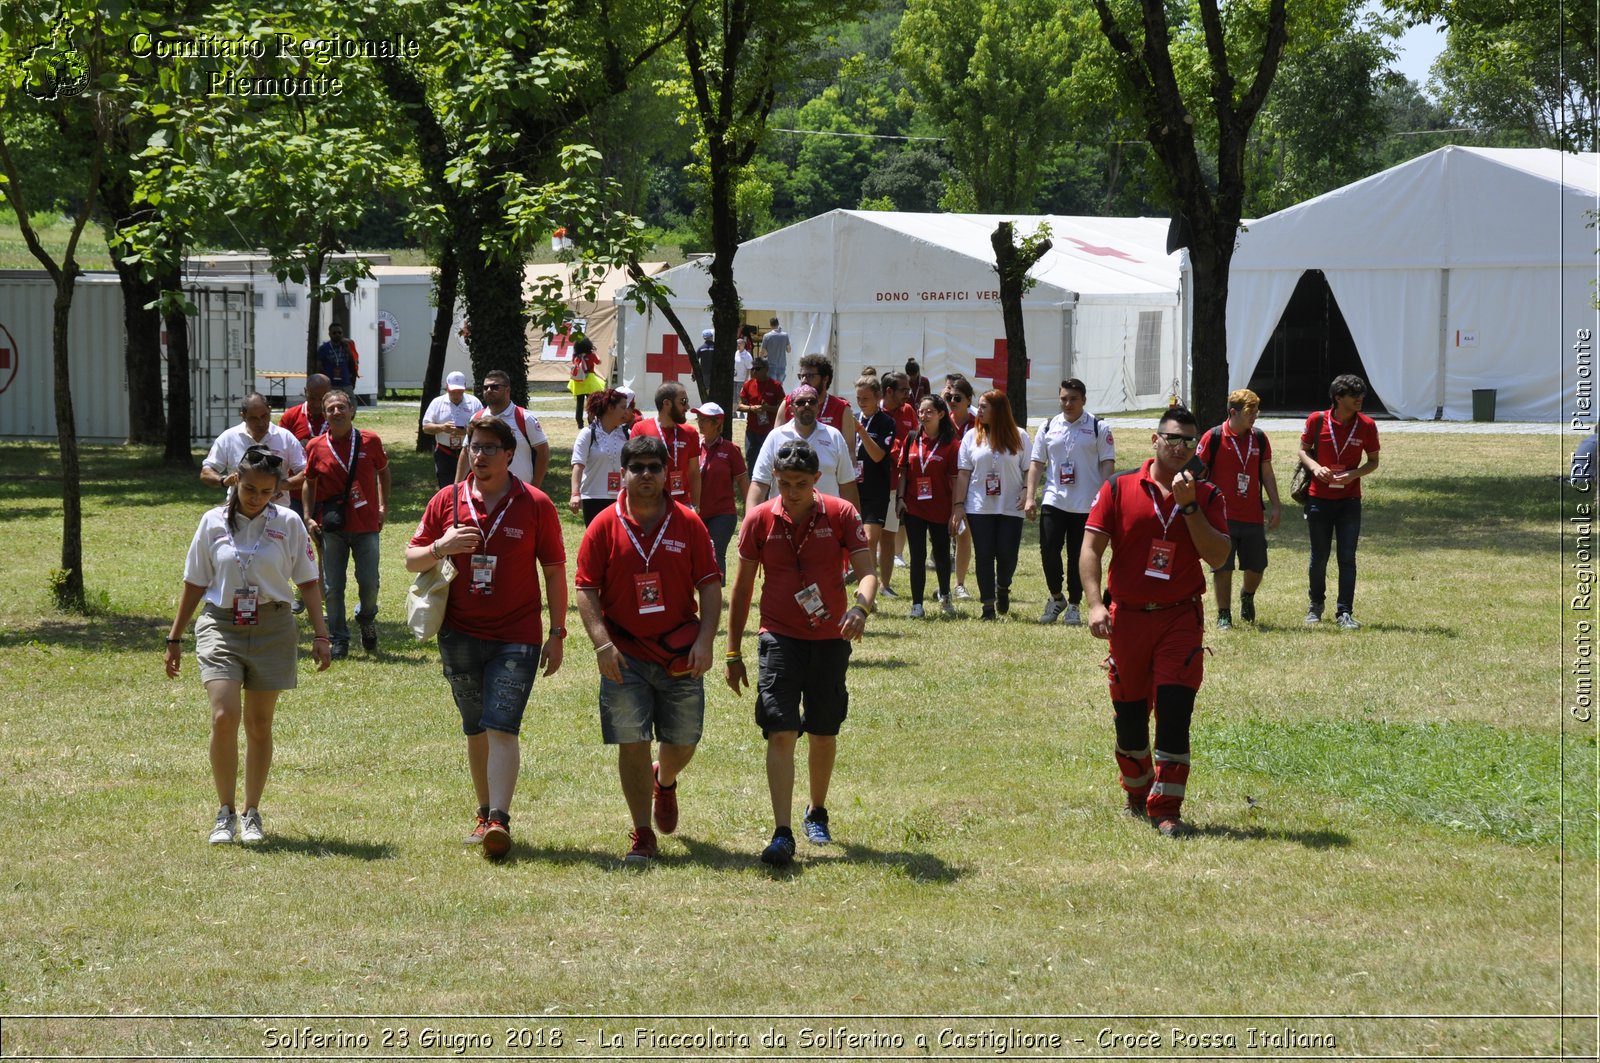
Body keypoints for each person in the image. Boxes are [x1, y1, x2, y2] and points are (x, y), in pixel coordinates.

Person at [406, 416, 567, 859]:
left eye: (489, 448)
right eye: (474, 447)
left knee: (501, 724)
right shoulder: (447, 501)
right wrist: (443, 546)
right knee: (475, 725)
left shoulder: (534, 503)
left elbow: (553, 570)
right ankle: (483, 812)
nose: (479, 455)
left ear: (510, 454)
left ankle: (499, 818)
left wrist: (556, 633)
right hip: (458, 632)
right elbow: (411, 558)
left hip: (517, 634)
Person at [165, 444, 333, 845]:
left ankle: (251, 812)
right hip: (221, 625)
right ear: (236, 481)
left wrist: (322, 634)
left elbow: (308, 581)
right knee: (224, 716)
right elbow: (194, 582)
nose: (255, 498)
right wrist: (174, 638)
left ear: (276, 491)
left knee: (259, 724)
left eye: (265, 492)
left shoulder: (288, 523)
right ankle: (224, 812)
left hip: (274, 626)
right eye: (249, 489)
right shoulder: (211, 522)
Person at [725, 438, 878, 866]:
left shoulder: (841, 514)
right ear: (775, 478)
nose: (792, 492)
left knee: (824, 730)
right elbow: (740, 590)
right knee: (780, 728)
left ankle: (817, 809)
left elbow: (868, 574)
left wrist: (860, 609)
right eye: (785, 483)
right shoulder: (758, 520)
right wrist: (733, 652)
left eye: (801, 484)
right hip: (778, 636)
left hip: (830, 638)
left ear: (817, 480)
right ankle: (782, 832)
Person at [1080, 406, 1231, 838]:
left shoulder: (1208, 496)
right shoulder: (1118, 487)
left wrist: (1189, 509)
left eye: (1189, 441)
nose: (1180, 447)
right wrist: (1094, 605)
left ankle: (1167, 808)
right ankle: (1136, 789)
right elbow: (1091, 549)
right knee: (1129, 716)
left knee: (1174, 712)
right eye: (1172, 438)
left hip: (1179, 618)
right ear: (1155, 439)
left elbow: (1219, 557)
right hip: (1126, 618)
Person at [575, 436, 721, 864]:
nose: (645, 475)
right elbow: (586, 588)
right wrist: (602, 644)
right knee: (632, 741)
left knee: (684, 740)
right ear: (623, 473)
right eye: (637, 467)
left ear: (666, 473)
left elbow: (710, 585)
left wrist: (705, 641)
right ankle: (642, 832)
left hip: (679, 655)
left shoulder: (689, 523)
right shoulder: (604, 523)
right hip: (624, 656)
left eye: (654, 467)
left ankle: (667, 778)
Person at [302, 388, 390, 659]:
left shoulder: (370, 441)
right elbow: (309, 481)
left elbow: (383, 471)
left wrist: (383, 505)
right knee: (332, 586)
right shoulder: (316, 446)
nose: (336, 412)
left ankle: (366, 616)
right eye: (331, 409)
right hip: (333, 526)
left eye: (341, 407)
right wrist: (307, 516)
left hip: (366, 525)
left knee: (369, 582)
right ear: (325, 414)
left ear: (352, 410)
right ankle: (339, 637)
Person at [1025, 378, 1116, 625]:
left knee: (1079, 555)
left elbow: (1108, 463)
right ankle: (1056, 597)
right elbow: (1036, 463)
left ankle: (1074, 604)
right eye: (1064, 398)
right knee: (1048, 550)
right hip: (1054, 500)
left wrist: (1104, 496)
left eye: (1073, 399)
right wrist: (1030, 497)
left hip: (1087, 504)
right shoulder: (1047, 426)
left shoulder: (1098, 427)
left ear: (1083, 400)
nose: (1068, 403)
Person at [1299, 374, 1380, 629]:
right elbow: (1302, 450)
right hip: (1318, 499)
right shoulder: (1317, 420)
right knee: (1319, 556)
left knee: (1347, 557)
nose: (1360, 399)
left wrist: (1354, 474)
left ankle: (1344, 611)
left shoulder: (1367, 425)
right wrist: (1315, 468)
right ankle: (1315, 605)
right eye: (1354, 395)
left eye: (1361, 394)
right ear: (1337, 398)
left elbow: (1373, 461)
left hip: (1349, 500)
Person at [1196, 388, 1281, 629]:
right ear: (1233, 412)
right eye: (1249, 411)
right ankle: (1224, 614)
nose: (1255, 416)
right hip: (1221, 517)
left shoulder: (1260, 438)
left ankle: (1247, 595)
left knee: (1257, 567)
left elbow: (1266, 472)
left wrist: (1276, 505)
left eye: (1256, 411)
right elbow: (1197, 473)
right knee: (1222, 567)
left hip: (1252, 514)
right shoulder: (1212, 437)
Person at [953, 390, 1030, 621]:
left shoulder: (1020, 436)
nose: (980, 411)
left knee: (1007, 555)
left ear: (999, 409)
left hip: (1010, 506)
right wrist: (958, 505)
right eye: (980, 406)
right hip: (979, 506)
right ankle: (987, 605)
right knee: (984, 555)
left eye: (985, 406)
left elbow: (1029, 470)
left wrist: (1027, 492)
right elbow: (964, 474)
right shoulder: (971, 437)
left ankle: (1003, 587)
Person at [747, 383, 859, 511]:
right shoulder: (775, 436)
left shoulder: (834, 436)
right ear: (791, 409)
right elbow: (759, 483)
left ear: (818, 407)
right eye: (800, 402)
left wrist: (856, 526)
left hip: (826, 522)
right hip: (783, 520)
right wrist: (750, 523)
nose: (807, 405)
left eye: (812, 401)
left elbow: (847, 485)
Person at [896, 394, 960, 617]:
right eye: (921, 412)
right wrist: (900, 498)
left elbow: (955, 480)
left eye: (929, 411)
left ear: (941, 414)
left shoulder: (951, 445)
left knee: (941, 555)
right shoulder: (912, 438)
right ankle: (917, 605)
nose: (923, 416)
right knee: (917, 555)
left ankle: (945, 595)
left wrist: (955, 510)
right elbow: (903, 470)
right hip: (914, 507)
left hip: (940, 509)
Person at [201, 392, 306, 508]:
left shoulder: (285, 438)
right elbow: (206, 472)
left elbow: (306, 473)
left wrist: (280, 485)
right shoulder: (229, 437)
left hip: (277, 513)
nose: (260, 423)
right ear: (243, 416)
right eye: (254, 418)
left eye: (264, 416)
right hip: (237, 511)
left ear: (270, 410)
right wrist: (223, 481)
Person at [458, 369, 551, 489]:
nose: (489, 390)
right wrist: (456, 488)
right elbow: (466, 452)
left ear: (507, 390)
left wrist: (535, 487)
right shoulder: (477, 418)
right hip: (485, 493)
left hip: (520, 492)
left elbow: (543, 452)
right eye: (486, 388)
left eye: (495, 387)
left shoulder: (524, 418)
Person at [693, 402, 749, 577]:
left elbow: (743, 481)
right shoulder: (693, 447)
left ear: (718, 422)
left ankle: (714, 597)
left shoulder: (731, 450)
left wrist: (750, 514)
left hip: (722, 514)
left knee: (715, 554)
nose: (700, 422)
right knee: (694, 555)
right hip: (696, 513)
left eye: (705, 420)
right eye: (699, 418)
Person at [853, 370, 897, 587]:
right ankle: (859, 579)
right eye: (858, 398)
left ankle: (868, 586)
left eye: (866, 399)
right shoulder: (851, 418)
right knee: (853, 539)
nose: (861, 403)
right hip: (852, 487)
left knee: (869, 539)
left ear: (878, 397)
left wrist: (860, 431)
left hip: (876, 490)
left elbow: (878, 455)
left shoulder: (886, 423)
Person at [878, 371, 920, 595]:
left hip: (897, 485)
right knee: (868, 537)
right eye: (904, 390)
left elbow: (916, 439)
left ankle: (885, 585)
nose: (908, 394)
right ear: (889, 391)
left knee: (888, 536)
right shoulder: (875, 412)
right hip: (875, 485)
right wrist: (900, 454)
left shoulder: (908, 411)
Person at [632, 381, 702, 509]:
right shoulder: (640, 429)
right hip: (650, 506)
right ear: (666, 403)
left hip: (682, 505)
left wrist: (695, 506)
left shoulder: (690, 433)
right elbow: (633, 469)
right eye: (683, 401)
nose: (687, 407)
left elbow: (694, 473)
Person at [774, 354, 859, 457]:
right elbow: (776, 443)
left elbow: (849, 452)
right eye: (801, 376)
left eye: (810, 376)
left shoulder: (842, 408)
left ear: (825, 379)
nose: (804, 380)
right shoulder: (789, 403)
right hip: (793, 467)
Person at [570, 388, 633, 526]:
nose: (626, 412)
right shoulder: (587, 434)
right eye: (622, 407)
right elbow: (578, 465)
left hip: (621, 497)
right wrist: (575, 494)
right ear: (610, 408)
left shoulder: (627, 434)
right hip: (593, 497)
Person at [941, 375, 977, 601]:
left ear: (968, 399)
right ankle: (942, 584)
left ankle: (959, 584)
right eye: (948, 397)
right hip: (943, 484)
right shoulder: (942, 419)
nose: (952, 401)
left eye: (957, 398)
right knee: (941, 535)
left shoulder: (978, 421)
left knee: (964, 535)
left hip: (969, 485)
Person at [421, 371, 484, 489]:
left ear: (465, 387)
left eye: (460, 391)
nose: (456, 395)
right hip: (444, 452)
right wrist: (442, 427)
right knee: (446, 487)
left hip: (468, 451)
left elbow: (483, 427)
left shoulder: (474, 402)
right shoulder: (437, 403)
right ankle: (450, 506)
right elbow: (426, 427)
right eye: (453, 391)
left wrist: (466, 431)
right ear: (446, 387)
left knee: (470, 486)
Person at [738, 356, 785, 469]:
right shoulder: (748, 385)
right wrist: (751, 408)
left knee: (770, 460)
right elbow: (739, 406)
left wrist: (767, 408)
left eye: (757, 369)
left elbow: (782, 408)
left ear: (766, 369)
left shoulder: (776, 386)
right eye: (752, 369)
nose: (754, 371)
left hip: (769, 432)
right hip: (752, 431)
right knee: (751, 459)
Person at [278, 374, 331, 448]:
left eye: (321, 399)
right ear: (305, 391)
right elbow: (279, 446)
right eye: (312, 398)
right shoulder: (291, 416)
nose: (316, 404)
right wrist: (296, 446)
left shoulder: (335, 417)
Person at [568, 337, 604, 428]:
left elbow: (574, 363)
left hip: (578, 381)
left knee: (579, 403)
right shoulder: (591, 355)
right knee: (591, 402)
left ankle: (579, 423)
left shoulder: (575, 356)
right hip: (589, 381)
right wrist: (595, 353)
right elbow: (599, 362)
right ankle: (591, 422)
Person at [315, 321, 359, 390]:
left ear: (342, 333)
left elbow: (354, 366)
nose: (337, 334)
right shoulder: (323, 348)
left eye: (339, 332)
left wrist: (353, 383)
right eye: (334, 333)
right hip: (330, 386)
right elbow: (319, 368)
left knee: (352, 401)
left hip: (346, 385)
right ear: (329, 334)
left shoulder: (348, 346)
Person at [760, 317, 790, 386]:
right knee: (779, 386)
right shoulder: (785, 335)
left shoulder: (767, 336)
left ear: (770, 325)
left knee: (771, 386)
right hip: (782, 364)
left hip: (771, 364)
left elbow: (762, 351)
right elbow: (789, 350)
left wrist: (761, 360)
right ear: (778, 324)